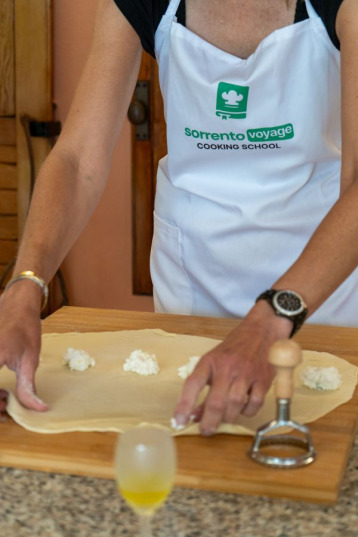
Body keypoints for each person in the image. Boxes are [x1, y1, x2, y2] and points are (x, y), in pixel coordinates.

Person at [0, 0, 357, 436]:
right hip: (195, 284)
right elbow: (77, 160)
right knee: (194, 447)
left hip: (320, 286)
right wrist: (26, 282)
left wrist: (271, 319)